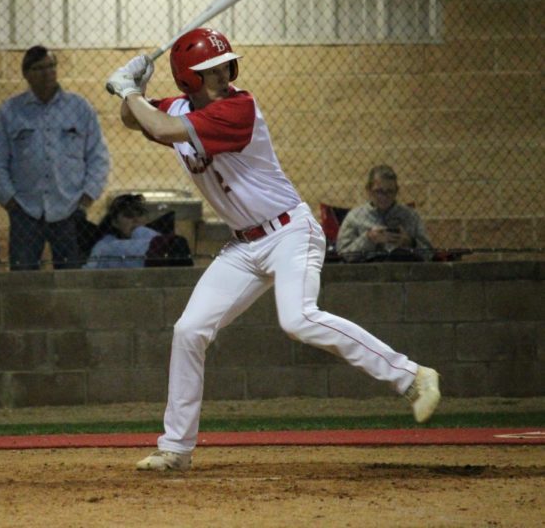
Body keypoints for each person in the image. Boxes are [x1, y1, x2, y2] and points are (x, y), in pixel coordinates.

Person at [106, 27, 441, 472]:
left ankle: (412, 377)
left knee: (297, 318)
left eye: (225, 65)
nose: (223, 75)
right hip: (244, 246)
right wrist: (137, 89)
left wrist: (130, 91)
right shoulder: (178, 106)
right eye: (209, 71)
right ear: (188, 79)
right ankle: (176, 449)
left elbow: (158, 124)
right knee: (189, 331)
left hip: (289, 232)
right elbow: (138, 119)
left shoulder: (237, 108)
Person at [0, 45, 110, 270]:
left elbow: (97, 156)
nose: (47, 72)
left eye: (51, 66)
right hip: (25, 210)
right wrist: (10, 201)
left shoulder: (79, 108)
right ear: (26, 73)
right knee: (24, 278)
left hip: (69, 209)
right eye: (39, 68)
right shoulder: (10, 112)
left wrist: (87, 197)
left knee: (72, 277)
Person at [335, 165, 434, 262]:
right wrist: (368, 239)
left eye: (389, 191)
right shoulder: (355, 217)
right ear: (368, 191)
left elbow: (429, 254)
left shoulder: (411, 216)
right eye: (379, 191)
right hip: (366, 272)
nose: (384, 197)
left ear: (396, 192)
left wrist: (410, 243)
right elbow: (343, 254)